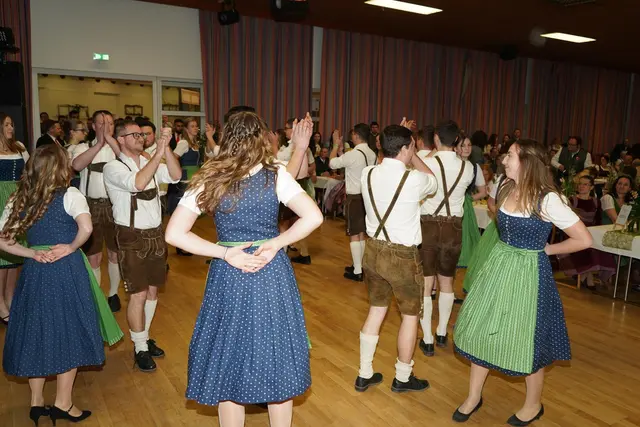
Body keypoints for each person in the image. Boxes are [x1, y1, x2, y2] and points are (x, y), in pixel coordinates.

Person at [165, 112, 322, 426]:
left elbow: (174, 234)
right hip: (270, 269)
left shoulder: (211, 176)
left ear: (226, 139)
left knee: (229, 356)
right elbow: (314, 216)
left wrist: (225, 253)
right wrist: (277, 243)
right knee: (276, 355)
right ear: (261, 138)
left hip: (230, 272)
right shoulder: (275, 174)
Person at [452, 140, 592, 425]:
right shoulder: (506, 186)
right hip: (498, 267)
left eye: (511, 156)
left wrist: (548, 250)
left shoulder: (548, 199)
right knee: (481, 327)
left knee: (526, 338)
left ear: (527, 162)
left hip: (528, 275)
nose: (504, 160)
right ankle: (474, 396)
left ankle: (533, 404)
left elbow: (584, 239)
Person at [0, 145, 122, 425]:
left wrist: (31, 253)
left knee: (36, 331)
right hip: (66, 270)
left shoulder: (20, 198)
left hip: (35, 271)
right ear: (60, 168)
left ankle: (36, 402)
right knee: (69, 332)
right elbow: (87, 228)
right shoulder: (70, 195)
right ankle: (63, 403)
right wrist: (70, 247)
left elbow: (3, 239)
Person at [355, 124, 437, 394]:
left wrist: (401, 145)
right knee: (410, 317)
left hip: (373, 250)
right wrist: (413, 156)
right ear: (405, 148)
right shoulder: (414, 179)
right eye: (410, 146)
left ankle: (364, 373)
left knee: (376, 309)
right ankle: (403, 376)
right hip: (402, 256)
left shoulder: (368, 173)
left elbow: (388, 162)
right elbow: (433, 181)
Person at [103, 120, 181, 372]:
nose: (140, 137)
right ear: (121, 139)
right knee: (137, 294)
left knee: (152, 292)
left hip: (155, 235)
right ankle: (139, 348)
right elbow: (137, 183)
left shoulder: (150, 162)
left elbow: (176, 175)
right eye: (134, 134)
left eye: (141, 134)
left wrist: (166, 148)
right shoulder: (113, 167)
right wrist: (156, 154)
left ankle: (144, 338)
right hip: (131, 237)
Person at [417, 120, 474, 357]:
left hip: (428, 225)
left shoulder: (427, 162)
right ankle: (441, 332)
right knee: (447, 281)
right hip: (454, 227)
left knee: (426, 283)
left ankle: (427, 338)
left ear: (436, 138)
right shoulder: (468, 168)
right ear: (457, 140)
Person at [71, 110, 122, 312]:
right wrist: (99, 144)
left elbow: (127, 160)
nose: (106, 127)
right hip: (90, 207)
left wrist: (110, 142)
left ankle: (113, 294)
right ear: (93, 126)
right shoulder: (83, 147)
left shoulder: (118, 148)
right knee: (94, 255)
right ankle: (97, 297)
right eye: (101, 123)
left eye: (110, 123)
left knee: (115, 253)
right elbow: (76, 165)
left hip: (115, 206)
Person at [329, 125, 377, 281]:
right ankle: (359, 265)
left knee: (354, 234)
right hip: (366, 198)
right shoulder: (371, 153)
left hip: (354, 197)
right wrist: (341, 152)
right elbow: (349, 163)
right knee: (361, 232)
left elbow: (332, 164)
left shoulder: (354, 154)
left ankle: (357, 271)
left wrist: (335, 145)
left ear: (356, 135)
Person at [0, 113, 29, 326]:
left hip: (17, 198)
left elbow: (29, 171)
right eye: (7, 124)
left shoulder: (19, 147)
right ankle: (0, 303)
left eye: (12, 124)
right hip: (0, 199)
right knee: (2, 256)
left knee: (14, 253)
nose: (11, 127)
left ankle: (10, 299)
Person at [454, 137, 487, 269]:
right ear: (455, 148)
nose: (467, 148)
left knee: (464, 236)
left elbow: (483, 192)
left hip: (465, 207)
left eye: (469, 145)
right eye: (463, 145)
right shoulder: (451, 164)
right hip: (449, 205)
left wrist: (468, 199)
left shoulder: (475, 167)